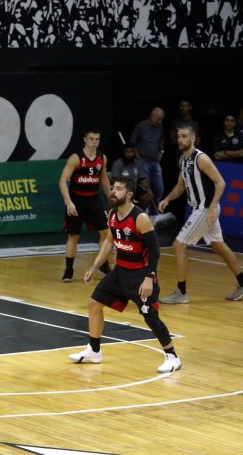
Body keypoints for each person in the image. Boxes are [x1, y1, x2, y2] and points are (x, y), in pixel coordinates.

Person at [68, 177, 182, 374]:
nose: (113, 191)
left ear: (129, 195)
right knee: (94, 303)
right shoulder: (112, 214)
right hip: (120, 272)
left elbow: (155, 251)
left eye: (119, 189)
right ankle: (94, 350)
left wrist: (149, 278)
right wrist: (95, 266)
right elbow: (109, 241)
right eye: (113, 188)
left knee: (150, 316)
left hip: (141, 274)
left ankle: (172, 357)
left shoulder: (140, 218)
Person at [158, 124, 243, 303]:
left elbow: (221, 183)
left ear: (193, 138)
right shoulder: (183, 160)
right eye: (178, 136)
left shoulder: (201, 158)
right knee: (218, 246)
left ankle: (181, 292)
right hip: (201, 208)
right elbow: (181, 186)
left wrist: (212, 207)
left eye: (184, 136)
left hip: (204, 209)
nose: (180, 140)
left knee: (178, 244)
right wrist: (167, 199)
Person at [58, 129, 111, 282]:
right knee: (74, 236)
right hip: (77, 201)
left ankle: (103, 264)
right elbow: (62, 181)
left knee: (106, 234)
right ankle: (69, 270)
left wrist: (112, 198)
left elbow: (104, 180)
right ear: (85, 140)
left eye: (97, 139)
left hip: (94, 200)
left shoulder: (102, 158)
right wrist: (69, 202)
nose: (94, 142)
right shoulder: (76, 158)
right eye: (91, 139)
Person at [129, 107, 165, 207]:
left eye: (161, 119)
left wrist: (161, 151)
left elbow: (162, 138)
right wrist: (138, 159)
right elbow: (133, 143)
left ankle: (156, 210)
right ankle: (146, 211)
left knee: (159, 188)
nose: (160, 121)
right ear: (152, 116)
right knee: (146, 188)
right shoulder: (141, 126)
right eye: (158, 119)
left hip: (155, 161)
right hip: (143, 161)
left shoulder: (160, 126)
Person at [110, 143, 154, 210]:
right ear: (123, 153)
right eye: (126, 152)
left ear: (134, 153)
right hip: (122, 189)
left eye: (131, 152)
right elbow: (114, 180)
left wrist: (148, 189)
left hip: (134, 188)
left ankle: (136, 212)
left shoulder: (137, 163)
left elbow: (142, 179)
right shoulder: (118, 163)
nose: (129, 154)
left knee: (147, 197)